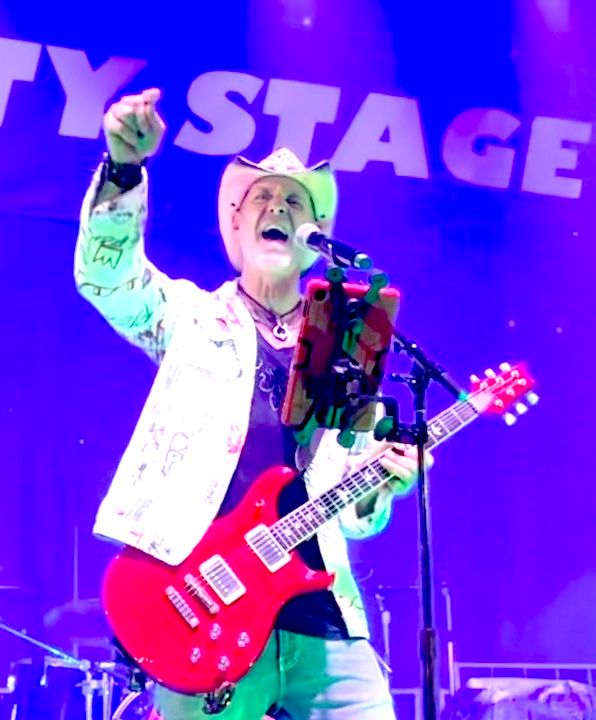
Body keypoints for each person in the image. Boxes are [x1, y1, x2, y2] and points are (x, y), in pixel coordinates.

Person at [75, 87, 433, 720]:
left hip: (322, 611)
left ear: (316, 235)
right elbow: (108, 280)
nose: (278, 208)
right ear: (236, 228)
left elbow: (356, 519)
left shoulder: (349, 347)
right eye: (261, 199)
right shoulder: (190, 318)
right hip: (203, 606)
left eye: (294, 202)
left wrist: (384, 485)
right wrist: (124, 171)